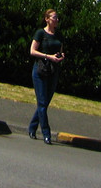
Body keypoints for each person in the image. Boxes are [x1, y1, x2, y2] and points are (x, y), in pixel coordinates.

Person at [27, 8, 65, 145]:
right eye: (54, 18)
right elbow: (32, 51)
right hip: (40, 70)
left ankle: (32, 127)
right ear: (47, 19)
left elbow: (60, 49)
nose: (56, 20)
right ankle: (46, 133)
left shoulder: (59, 35)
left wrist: (60, 56)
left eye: (57, 18)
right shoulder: (40, 33)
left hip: (53, 70)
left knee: (45, 103)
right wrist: (48, 56)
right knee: (42, 102)